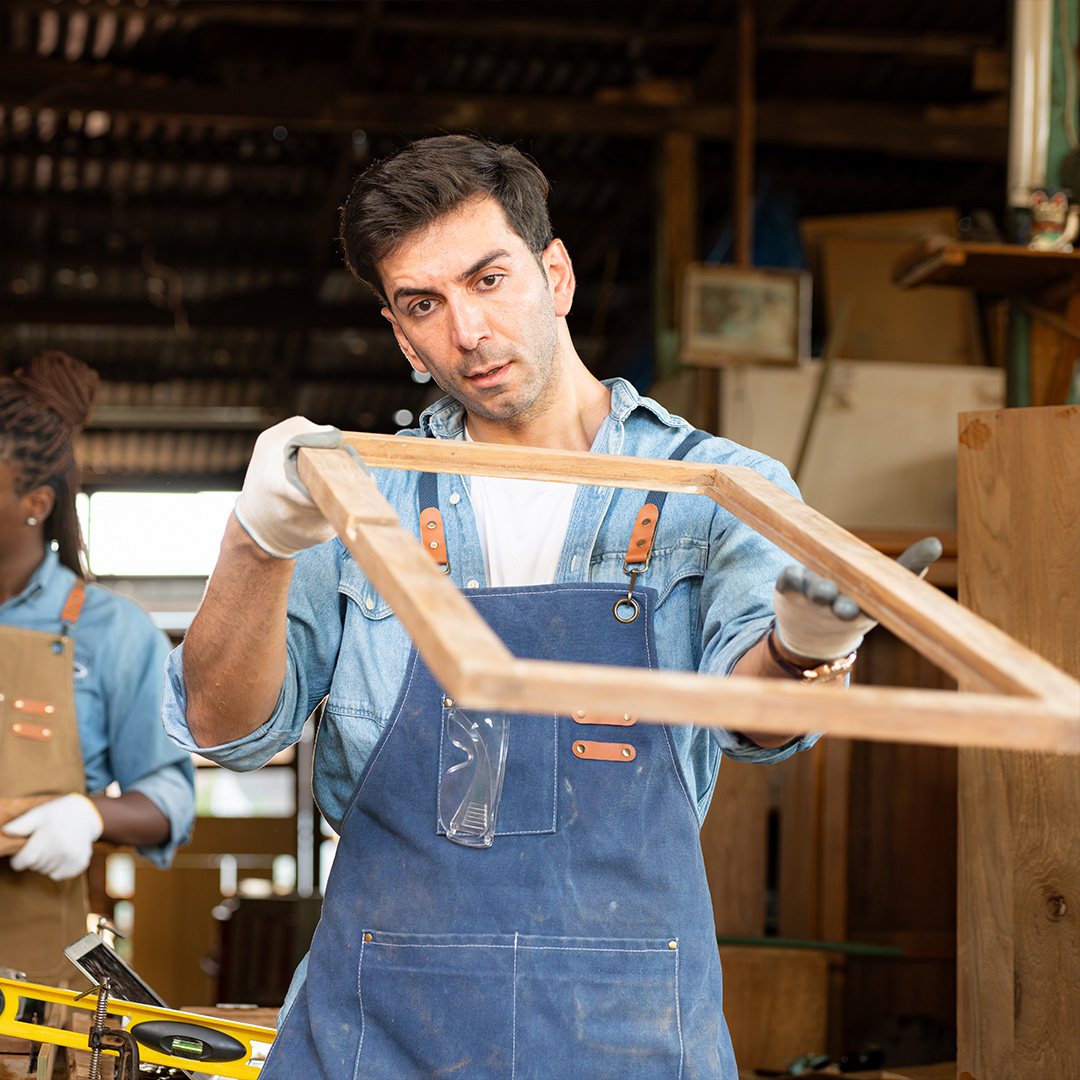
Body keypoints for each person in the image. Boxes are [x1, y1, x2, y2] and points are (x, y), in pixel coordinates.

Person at [162, 135, 938, 1079]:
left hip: (628, 1026)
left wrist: (806, 648)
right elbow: (220, 729)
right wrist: (257, 543)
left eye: (490, 280)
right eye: (424, 304)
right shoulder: (357, 498)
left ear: (556, 274)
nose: (468, 331)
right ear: (400, 335)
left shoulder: (713, 489)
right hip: (383, 1028)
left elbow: (760, 723)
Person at [0, 352, 196, 987]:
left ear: (34, 503)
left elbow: (169, 802)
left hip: (25, 985)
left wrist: (87, 816)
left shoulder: (109, 631)